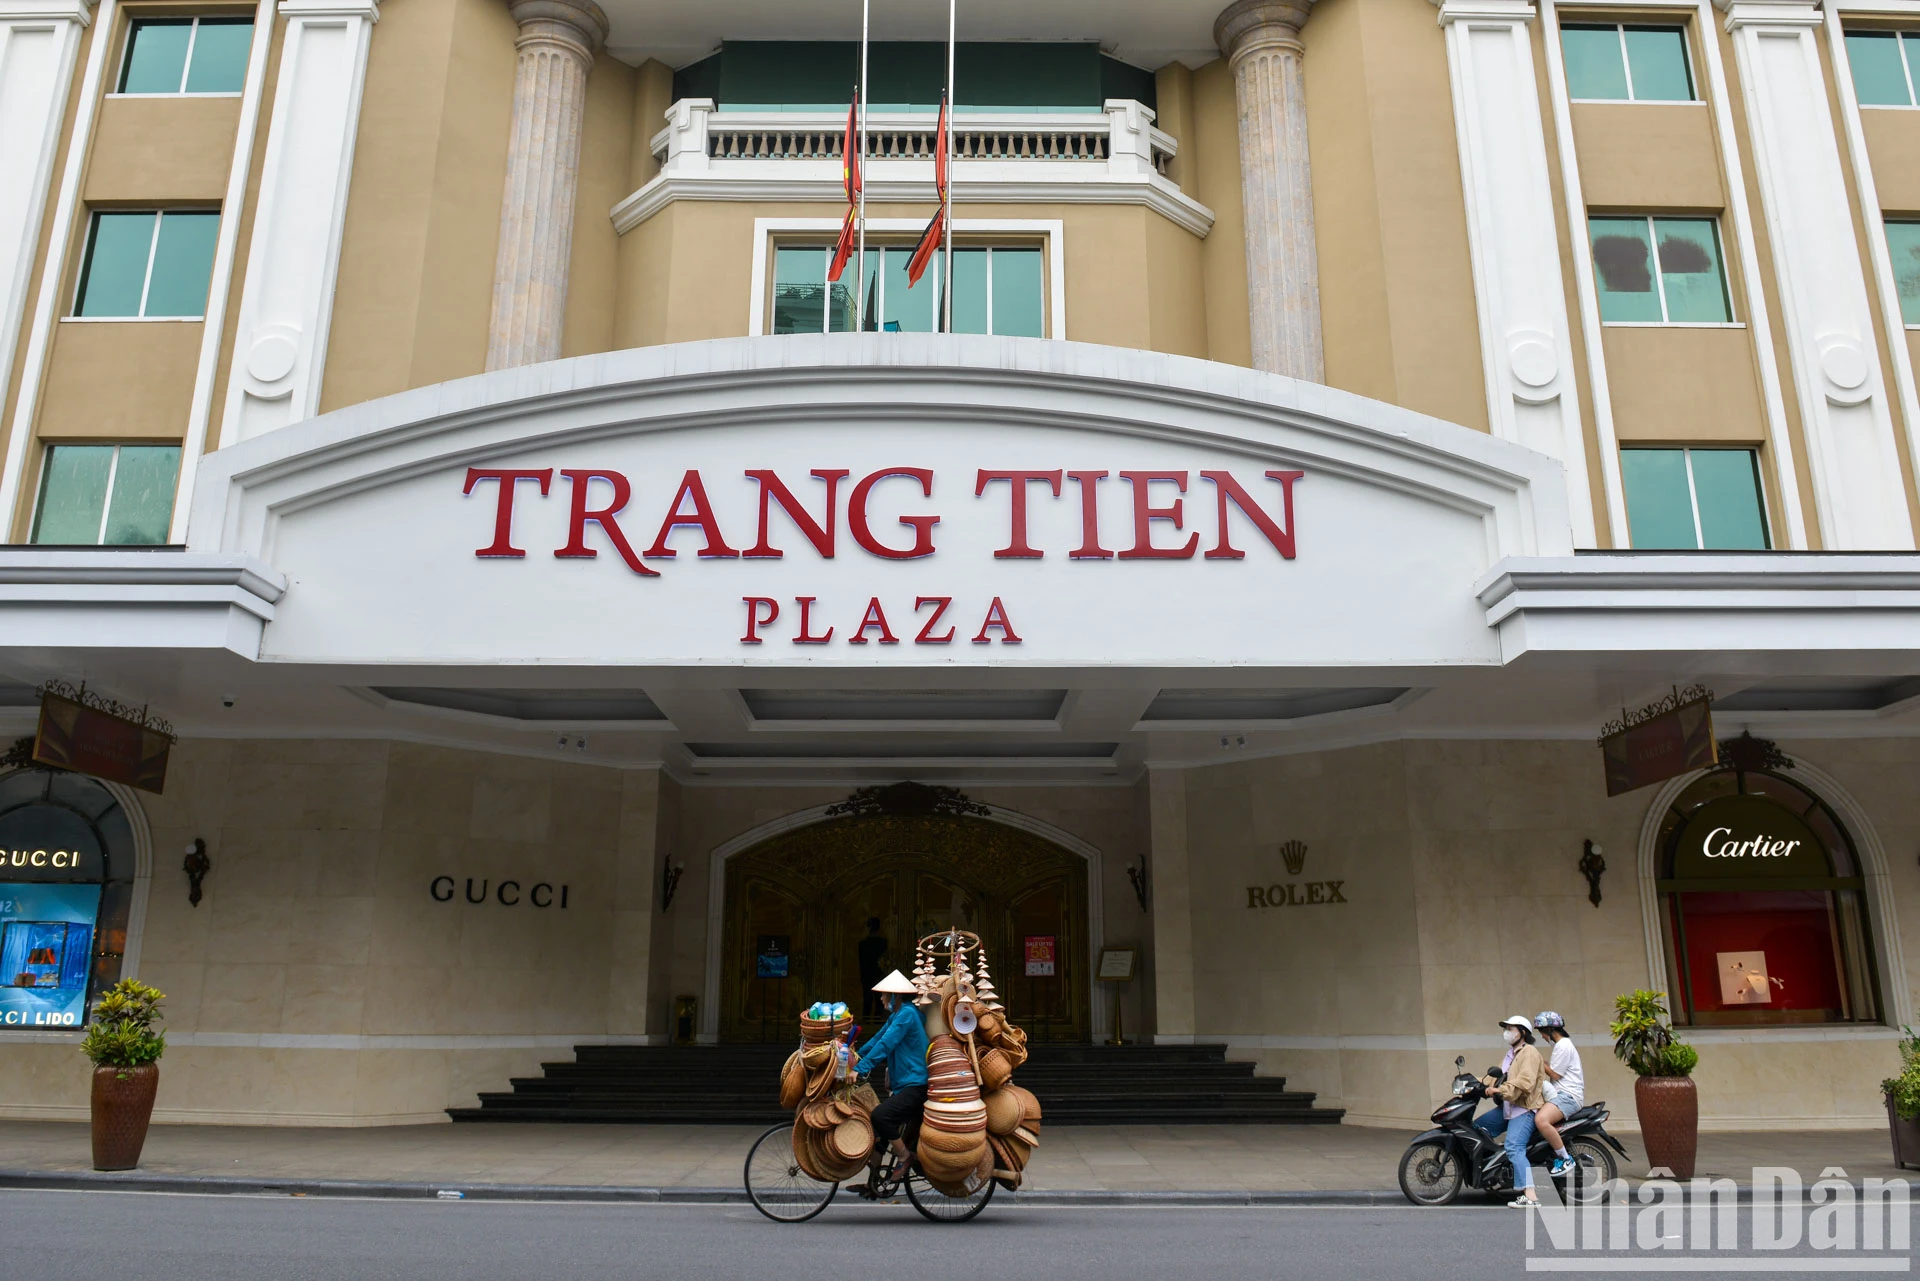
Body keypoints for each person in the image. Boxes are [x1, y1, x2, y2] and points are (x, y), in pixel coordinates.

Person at [855, 970, 927, 1192]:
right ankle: (873, 1184)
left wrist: (860, 1069)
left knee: (880, 1115)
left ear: (895, 995)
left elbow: (886, 1044)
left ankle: (905, 1156)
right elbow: (878, 1039)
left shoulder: (907, 1014)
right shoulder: (896, 1016)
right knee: (880, 1132)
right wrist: (854, 1056)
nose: (881, 999)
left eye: (884, 994)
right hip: (904, 1085)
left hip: (916, 1085)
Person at [1473, 1014, 1548, 1207]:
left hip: (1524, 1108)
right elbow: (1495, 1076)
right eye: (1506, 1029)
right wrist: (1472, 1085)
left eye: (1511, 1029)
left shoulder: (1529, 1053)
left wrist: (1500, 1090)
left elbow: (1525, 1082)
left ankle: (1530, 1195)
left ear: (1522, 1033)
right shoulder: (1511, 1054)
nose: (1507, 1033)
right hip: (1508, 1106)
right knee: (1477, 1128)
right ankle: (1496, 1169)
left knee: (1514, 1147)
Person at [1533, 1011, 1585, 1178]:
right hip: (1561, 1094)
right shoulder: (1561, 1046)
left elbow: (1555, 1074)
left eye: (1541, 1031)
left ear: (1549, 1029)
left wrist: (1537, 1059)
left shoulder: (1563, 1045)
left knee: (1541, 1120)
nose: (1541, 1036)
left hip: (1568, 1096)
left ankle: (1565, 1158)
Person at [857, 918, 889, 1018]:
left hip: (867, 974)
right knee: (879, 998)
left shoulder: (863, 944)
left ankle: (866, 1020)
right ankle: (878, 1019)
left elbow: (862, 961)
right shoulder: (883, 943)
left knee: (867, 998)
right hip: (879, 973)